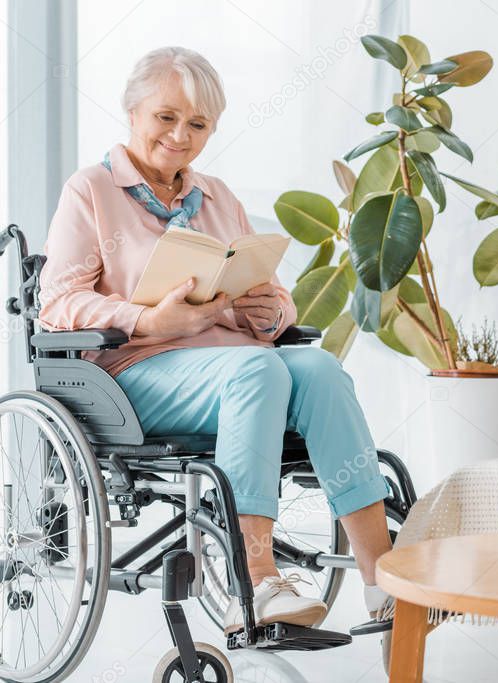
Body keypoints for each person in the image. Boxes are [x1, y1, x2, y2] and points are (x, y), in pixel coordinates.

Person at [37, 46, 394, 636]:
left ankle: (383, 581)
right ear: (133, 111)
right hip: (135, 374)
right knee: (259, 372)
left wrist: (269, 311)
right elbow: (57, 303)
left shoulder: (220, 198)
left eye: (198, 124)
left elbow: (279, 301)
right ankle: (254, 581)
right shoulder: (91, 191)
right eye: (166, 117)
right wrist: (148, 320)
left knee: (319, 367)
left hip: (238, 366)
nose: (180, 136)